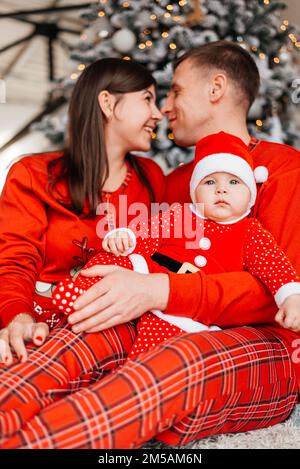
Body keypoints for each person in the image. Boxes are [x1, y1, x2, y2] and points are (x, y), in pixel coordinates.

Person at [2, 41, 300, 449]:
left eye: (174, 90)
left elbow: (284, 294)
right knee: (83, 333)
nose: (165, 108)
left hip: (260, 341)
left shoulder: (285, 169)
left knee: (174, 363)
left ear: (215, 88)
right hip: (159, 320)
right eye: (155, 98)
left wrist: (158, 289)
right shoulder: (174, 183)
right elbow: (151, 252)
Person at [0, 58, 165, 440]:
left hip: (105, 333)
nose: (158, 114)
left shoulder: (153, 180)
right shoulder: (33, 175)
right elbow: (14, 261)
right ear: (108, 104)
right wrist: (16, 317)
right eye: (148, 99)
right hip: (36, 322)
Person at [53, 131, 300, 360]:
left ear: (250, 195)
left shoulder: (251, 232)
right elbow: (147, 233)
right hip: (151, 276)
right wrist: (124, 238)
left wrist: (291, 296)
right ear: (195, 192)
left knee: (161, 347)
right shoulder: (180, 215)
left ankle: (139, 371)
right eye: (210, 182)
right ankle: (83, 296)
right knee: (115, 259)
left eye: (234, 182)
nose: (222, 189)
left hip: (186, 310)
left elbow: (275, 267)